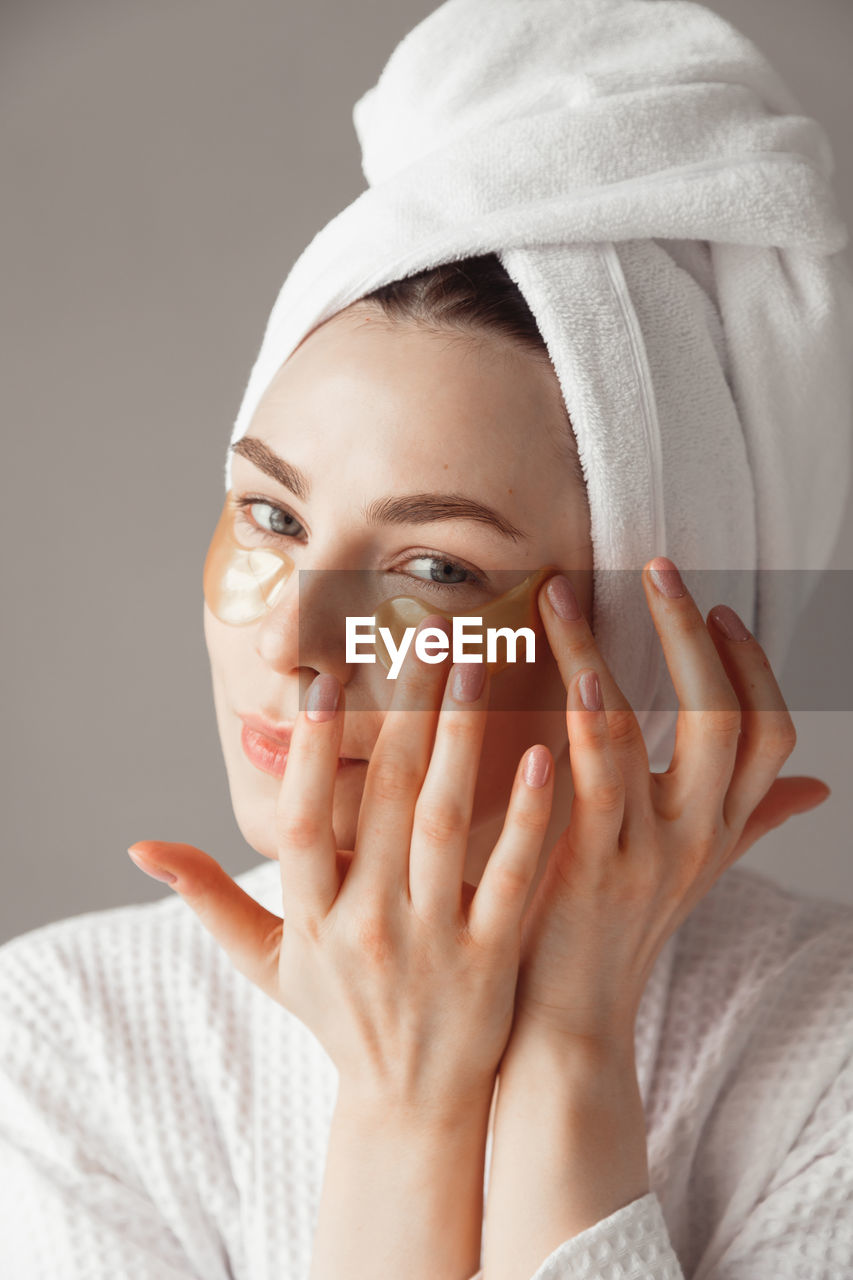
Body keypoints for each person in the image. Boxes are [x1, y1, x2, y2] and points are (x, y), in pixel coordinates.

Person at [4, 2, 853, 1278]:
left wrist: (570, 1051)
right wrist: (407, 1109)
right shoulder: (64, 1041)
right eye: (271, 514)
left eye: (434, 568)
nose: (293, 633)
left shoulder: (824, 1047)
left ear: (644, 645)